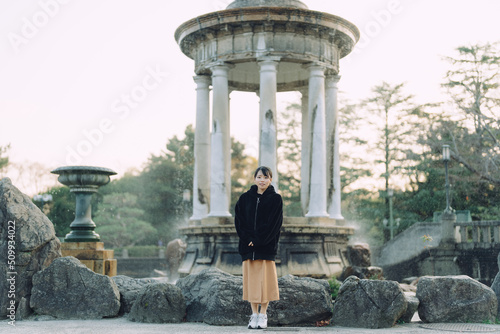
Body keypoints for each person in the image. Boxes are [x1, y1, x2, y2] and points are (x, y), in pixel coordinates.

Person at [234, 166, 283, 329]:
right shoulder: (244, 198)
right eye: (259, 177)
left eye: (266, 177)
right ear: (254, 179)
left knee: (266, 283)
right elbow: (239, 222)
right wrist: (248, 239)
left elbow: (274, 225)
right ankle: (254, 315)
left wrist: (258, 240)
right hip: (248, 248)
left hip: (266, 248)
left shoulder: (275, 199)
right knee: (252, 283)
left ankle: (263, 315)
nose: (262, 180)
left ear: (270, 179)